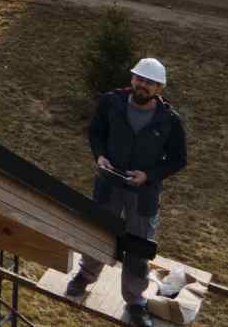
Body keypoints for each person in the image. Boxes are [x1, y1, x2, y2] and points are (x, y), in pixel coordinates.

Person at [65, 57, 188, 326]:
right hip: (108, 184)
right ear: (132, 79)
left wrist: (149, 175)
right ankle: (85, 276)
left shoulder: (168, 121)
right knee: (97, 231)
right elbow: (95, 132)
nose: (143, 85)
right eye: (139, 79)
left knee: (138, 244)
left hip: (143, 194)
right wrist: (99, 156)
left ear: (159, 89)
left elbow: (179, 159)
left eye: (150, 83)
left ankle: (134, 301)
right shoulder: (111, 103)